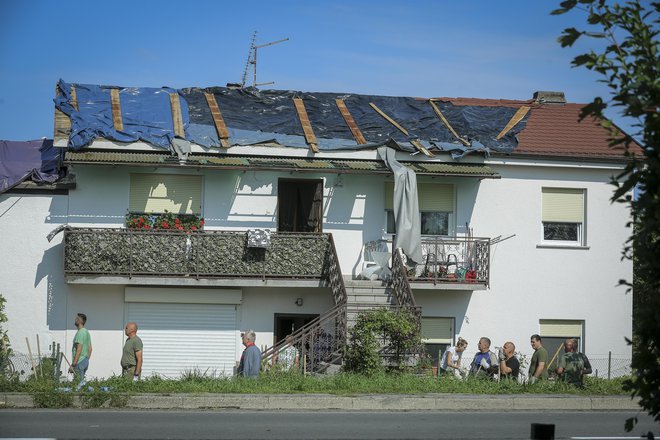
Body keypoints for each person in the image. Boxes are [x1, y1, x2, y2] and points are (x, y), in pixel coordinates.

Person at [69, 313, 92, 386]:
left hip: (79, 362)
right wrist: (86, 359)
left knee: (78, 384)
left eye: (76, 319)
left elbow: (79, 349)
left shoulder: (80, 333)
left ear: (80, 321)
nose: (75, 320)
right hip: (84, 361)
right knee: (81, 382)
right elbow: (90, 348)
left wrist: (73, 364)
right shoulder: (86, 332)